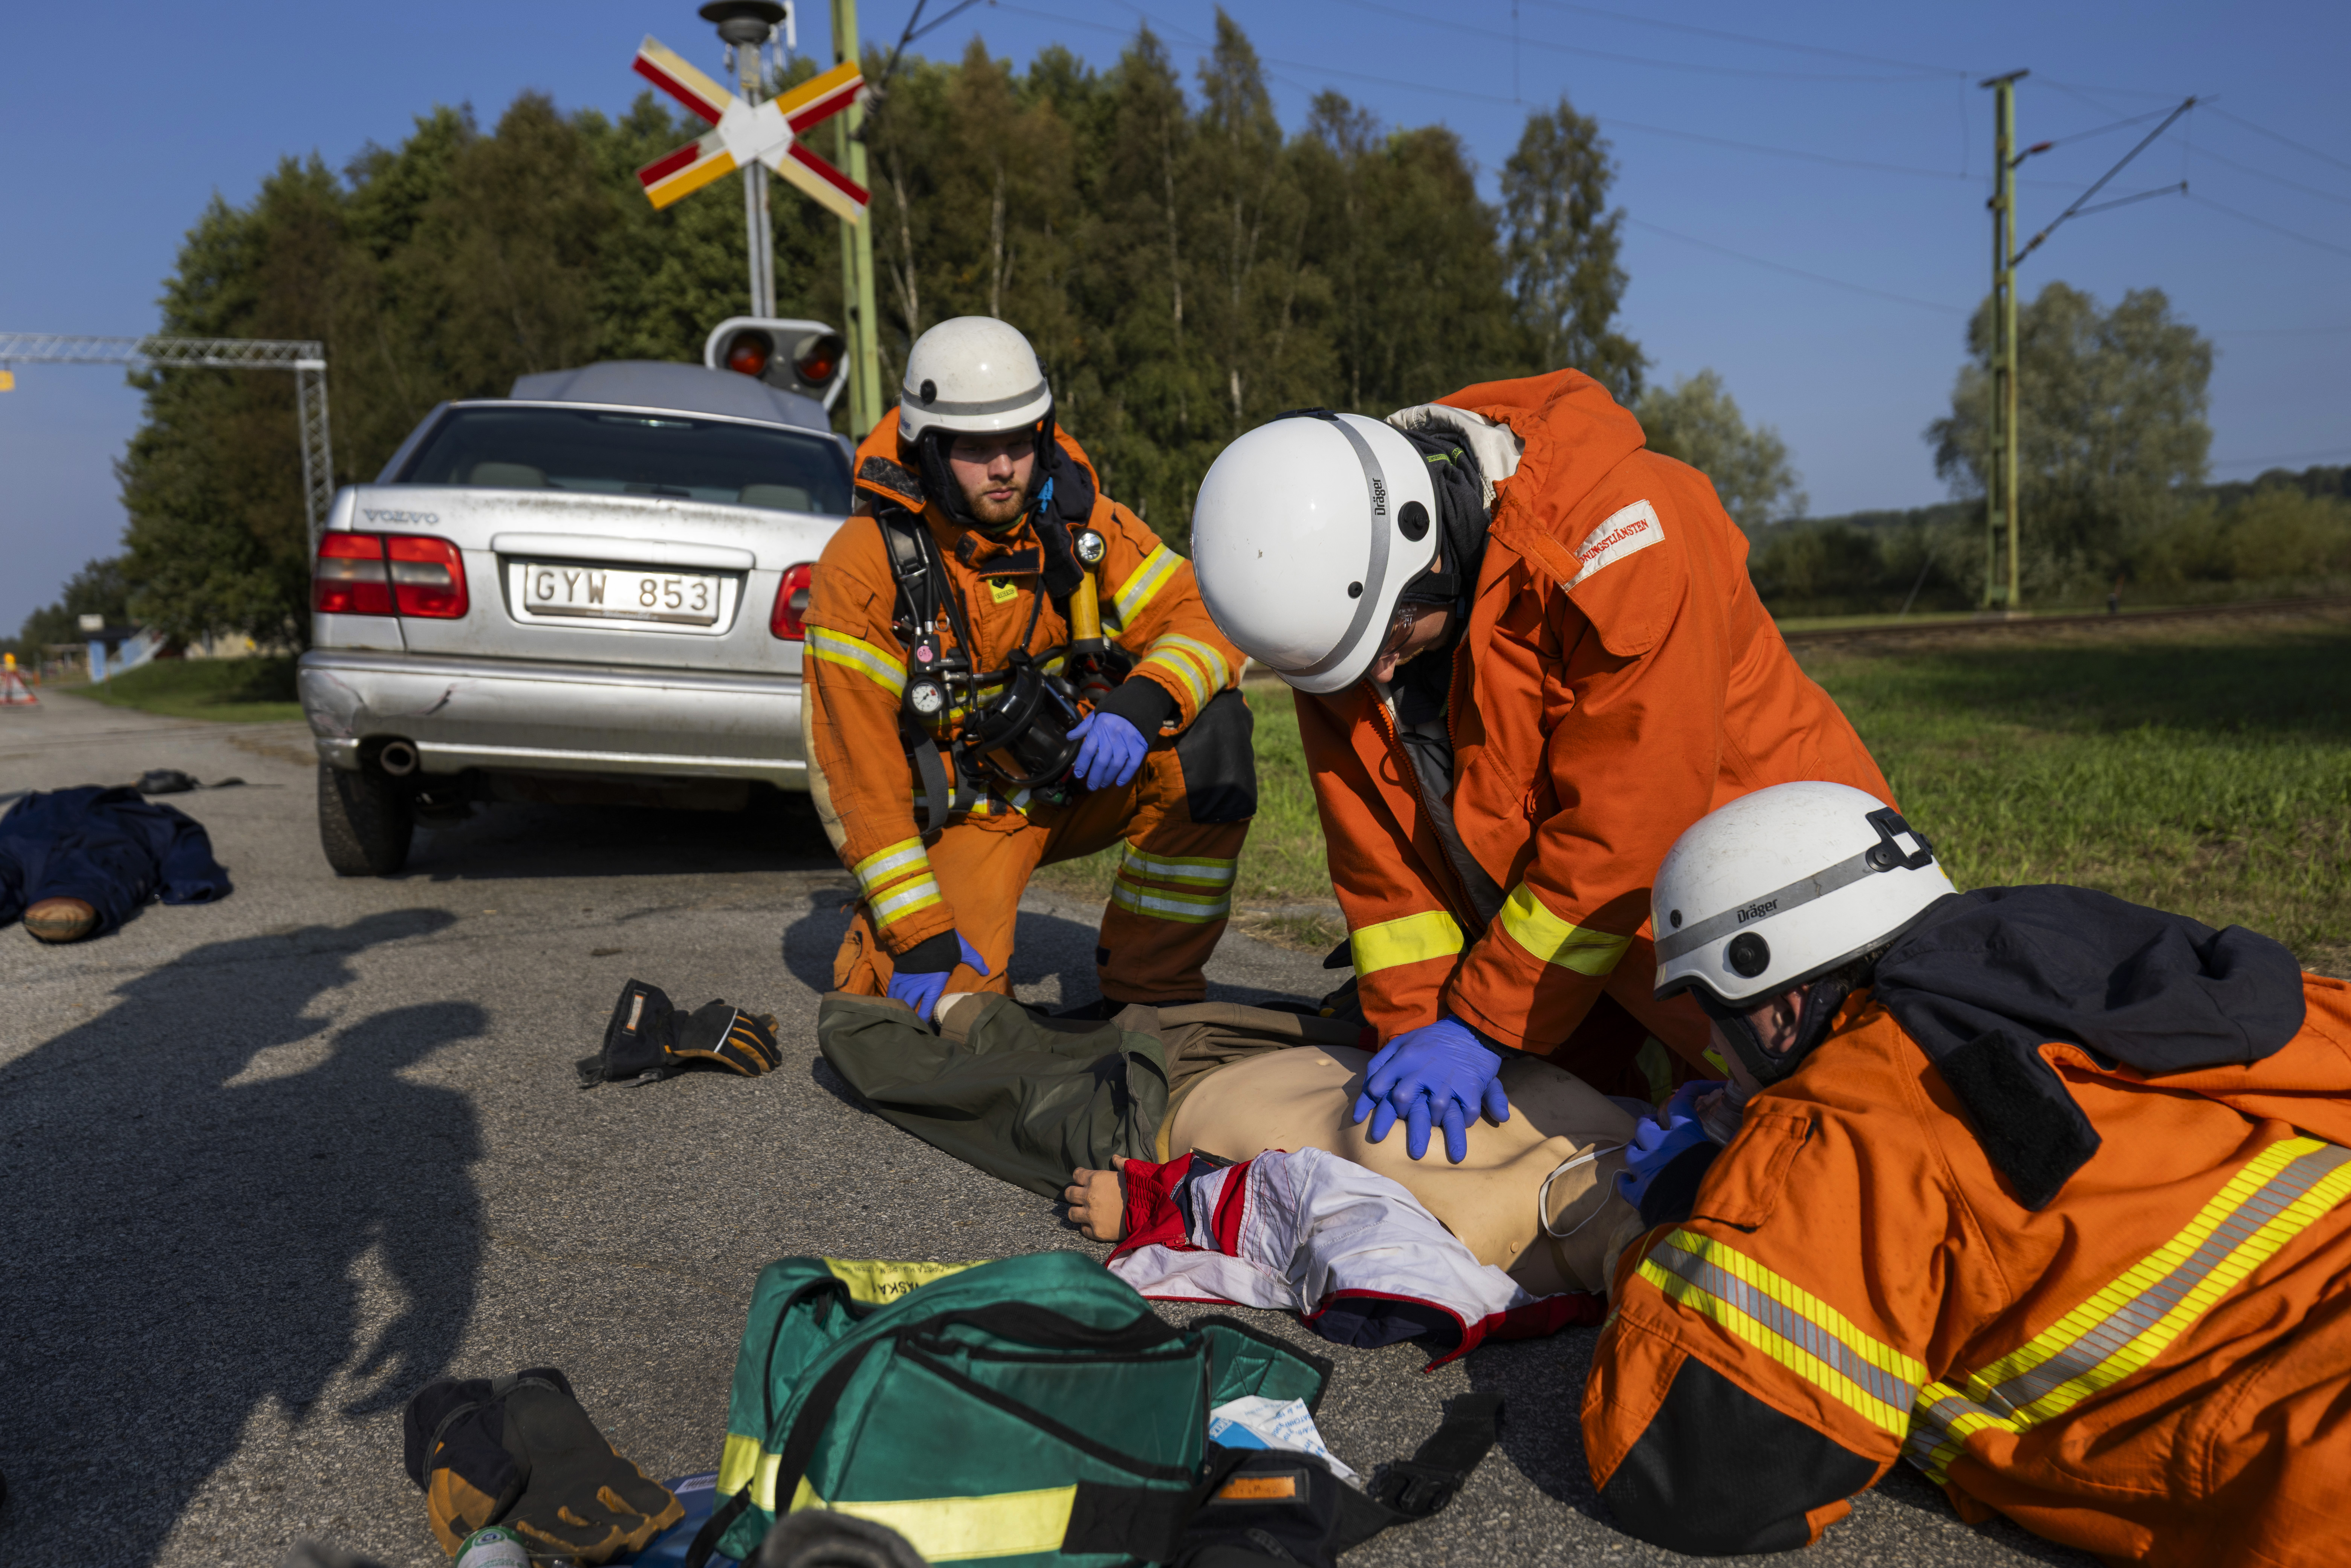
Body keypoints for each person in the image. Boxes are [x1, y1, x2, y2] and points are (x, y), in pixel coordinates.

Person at [1582, 780, 2351, 1566]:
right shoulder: (2086, 955)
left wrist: (1693, 1213)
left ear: (1774, 1006)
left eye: (1710, 1010)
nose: (1710, 1044)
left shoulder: (1860, 1110)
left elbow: (1694, 1470)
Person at [1187, 374, 1894, 1162]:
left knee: (1840, 1148)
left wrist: (1480, 1025)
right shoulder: (1348, 630)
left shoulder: (1620, 535)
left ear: (1427, 542)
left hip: (1778, 914)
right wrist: (1421, 1031)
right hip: (1559, 956)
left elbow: (1628, 827)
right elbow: (1386, 883)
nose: (1381, 675)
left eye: (1392, 641)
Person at [804, 318, 1255, 1020]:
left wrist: (1140, 703)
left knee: (1215, 735)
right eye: (978, 449)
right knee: (946, 1022)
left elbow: (1203, 614)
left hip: (1074, 774)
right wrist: (919, 936)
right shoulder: (865, 564)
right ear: (928, 449)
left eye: (1020, 443)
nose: (1006, 468)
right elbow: (858, 775)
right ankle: (894, 940)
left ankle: (1152, 991)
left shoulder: (1077, 521)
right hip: (965, 818)